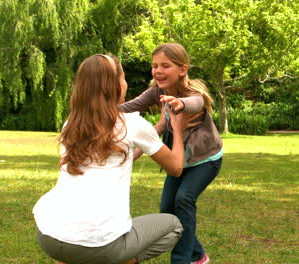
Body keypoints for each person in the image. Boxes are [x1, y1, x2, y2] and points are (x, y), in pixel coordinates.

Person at [33, 54, 191, 264]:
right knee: (173, 226)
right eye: (123, 78)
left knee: (75, 247)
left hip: (48, 236)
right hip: (101, 245)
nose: (125, 84)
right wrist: (177, 129)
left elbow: (112, 156)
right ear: (114, 85)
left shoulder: (71, 124)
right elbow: (175, 168)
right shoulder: (132, 124)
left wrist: (159, 127)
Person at [120, 43, 223, 264]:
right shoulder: (157, 92)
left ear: (182, 69)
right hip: (179, 163)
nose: (158, 71)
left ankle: (182, 260)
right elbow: (130, 106)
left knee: (184, 199)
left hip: (206, 161)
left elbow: (196, 103)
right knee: (168, 210)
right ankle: (199, 255)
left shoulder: (193, 92)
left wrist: (180, 103)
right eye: (155, 65)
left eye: (165, 66)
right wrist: (98, 108)